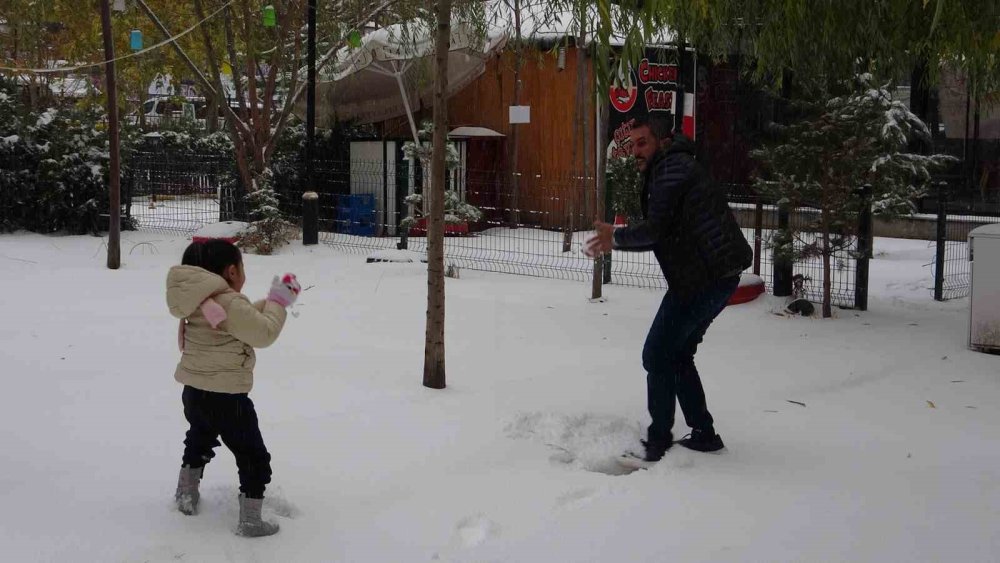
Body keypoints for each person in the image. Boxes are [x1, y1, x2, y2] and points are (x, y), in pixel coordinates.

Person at [586, 115, 752, 461]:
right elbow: (663, 229)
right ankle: (703, 433)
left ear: (661, 141)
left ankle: (658, 441)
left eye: (643, 142)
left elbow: (654, 230)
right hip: (713, 277)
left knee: (657, 354)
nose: (635, 151)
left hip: (702, 280)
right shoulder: (672, 166)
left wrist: (614, 237)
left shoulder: (670, 170)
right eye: (632, 145)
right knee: (677, 354)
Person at [166, 239, 301, 537]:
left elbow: (232, 323)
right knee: (253, 456)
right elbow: (262, 332)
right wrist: (278, 302)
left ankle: (186, 494)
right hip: (228, 398)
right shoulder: (228, 301)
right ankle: (251, 519)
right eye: (242, 268)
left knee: (199, 438)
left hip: (194, 392)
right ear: (230, 271)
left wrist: (264, 304)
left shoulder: (196, 301)